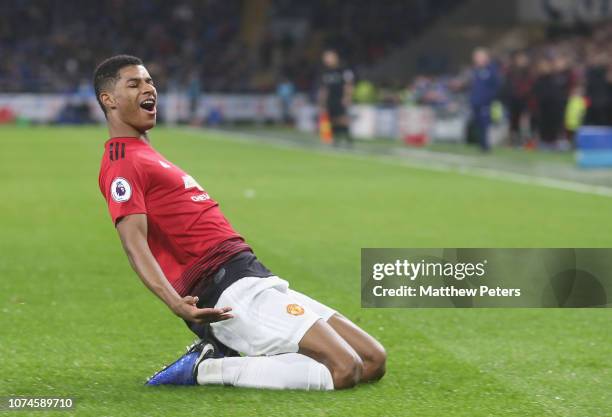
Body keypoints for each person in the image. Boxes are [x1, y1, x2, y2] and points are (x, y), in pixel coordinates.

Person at [94, 55, 386, 391]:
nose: (149, 89)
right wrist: (175, 303)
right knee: (344, 369)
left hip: (249, 272)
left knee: (373, 360)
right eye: (134, 84)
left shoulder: (145, 153)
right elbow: (134, 242)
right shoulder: (121, 160)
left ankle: (233, 354)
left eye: (149, 82)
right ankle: (207, 368)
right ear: (109, 99)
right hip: (223, 287)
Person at [318, 49, 355, 147]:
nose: (327, 60)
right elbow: (323, 88)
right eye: (325, 58)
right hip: (330, 99)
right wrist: (322, 102)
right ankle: (334, 139)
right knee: (331, 119)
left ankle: (347, 138)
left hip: (340, 98)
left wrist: (347, 97)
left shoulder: (343, 70)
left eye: (329, 57)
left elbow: (349, 84)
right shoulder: (325, 72)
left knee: (342, 118)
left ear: (335, 58)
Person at [469, 48, 500, 152]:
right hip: (476, 102)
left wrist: (489, 99)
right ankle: (482, 144)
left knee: (485, 123)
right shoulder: (476, 70)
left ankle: (486, 145)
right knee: (478, 123)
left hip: (486, 103)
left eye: (478, 56)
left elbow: (496, 86)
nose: (476, 59)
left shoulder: (491, 70)